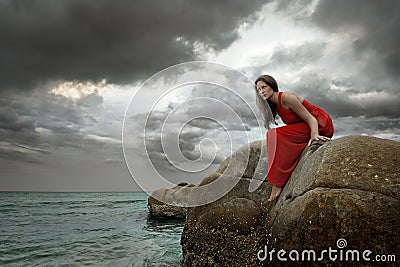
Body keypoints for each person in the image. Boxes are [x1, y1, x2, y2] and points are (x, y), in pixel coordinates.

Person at [254, 75, 334, 202]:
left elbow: (310, 118)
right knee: (272, 135)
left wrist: (314, 135)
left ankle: (277, 183)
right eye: (259, 89)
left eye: (264, 87)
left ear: (272, 86)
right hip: (306, 126)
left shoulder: (287, 98)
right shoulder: (274, 104)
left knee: (274, 135)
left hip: (320, 124)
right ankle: (278, 179)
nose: (261, 91)